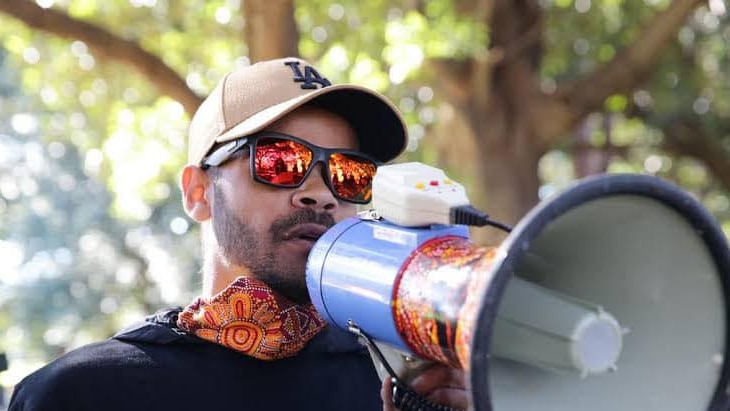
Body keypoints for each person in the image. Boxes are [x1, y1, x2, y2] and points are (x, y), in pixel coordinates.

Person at [9, 57, 467, 411]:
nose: (321, 195)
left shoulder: (404, 383)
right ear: (198, 192)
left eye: (348, 174)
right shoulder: (81, 394)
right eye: (280, 161)